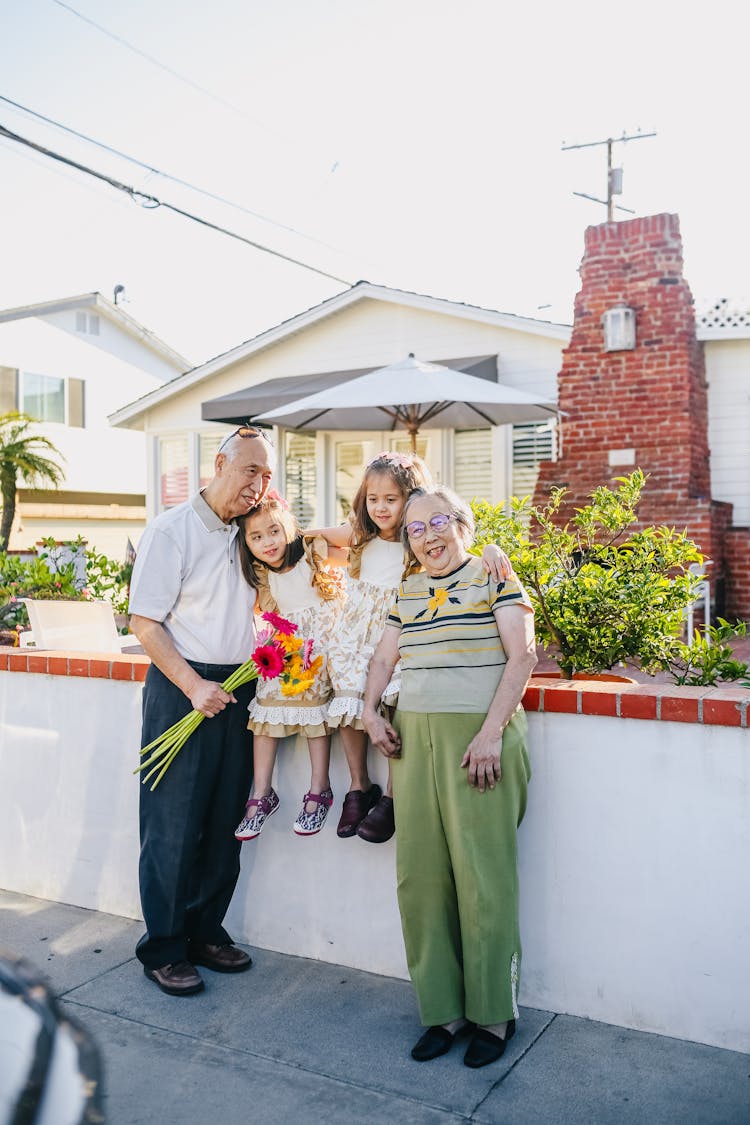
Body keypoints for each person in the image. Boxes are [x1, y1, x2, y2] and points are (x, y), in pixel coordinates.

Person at [362, 485, 537, 1069]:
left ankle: (493, 1014)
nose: (429, 535)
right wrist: (368, 710)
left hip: (478, 743)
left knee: (483, 876)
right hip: (413, 742)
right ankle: (443, 1010)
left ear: (461, 524)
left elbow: (523, 656)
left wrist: (490, 733)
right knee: (421, 878)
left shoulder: (493, 574)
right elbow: (385, 659)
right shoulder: (407, 589)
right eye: (416, 528)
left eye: (439, 522)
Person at [129, 425, 275, 997]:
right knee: (170, 825)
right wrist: (192, 686)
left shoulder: (253, 532)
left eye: (266, 476)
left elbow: (327, 548)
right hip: (181, 689)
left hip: (239, 690)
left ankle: (205, 933)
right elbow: (145, 623)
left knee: (223, 820)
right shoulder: (171, 531)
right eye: (250, 471)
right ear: (219, 464)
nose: (258, 485)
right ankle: (163, 948)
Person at [314, 451, 510, 844]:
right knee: (348, 692)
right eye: (373, 499)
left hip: (402, 631)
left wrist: (490, 548)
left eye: (391, 499)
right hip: (357, 633)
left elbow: (459, 543)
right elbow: (310, 540)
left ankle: (392, 794)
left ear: (411, 499)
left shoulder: (417, 541)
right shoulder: (358, 538)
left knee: (401, 696)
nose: (381, 507)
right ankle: (358, 784)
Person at [233, 493, 346, 841]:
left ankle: (319, 789)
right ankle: (262, 794)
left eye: (274, 531)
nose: (267, 542)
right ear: (246, 543)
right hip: (286, 647)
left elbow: (355, 535)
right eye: (256, 537)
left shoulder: (312, 553)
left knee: (313, 704)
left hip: (322, 647)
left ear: (289, 529)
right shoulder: (260, 575)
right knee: (264, 710)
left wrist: (309, 534)